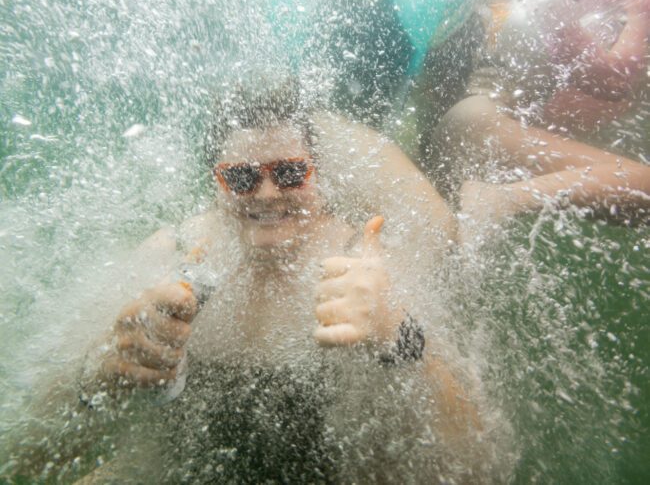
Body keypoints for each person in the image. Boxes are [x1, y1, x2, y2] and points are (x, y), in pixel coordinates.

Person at [5, 80, 506, 484]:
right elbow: (22, 457)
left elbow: (478, 467)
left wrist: (397, 334)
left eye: (289, 173)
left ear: (317, 174)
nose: (267, 194)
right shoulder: (170, 254)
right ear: (214, 182)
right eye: (242, 178)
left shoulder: (365, 263)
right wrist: (102, 372)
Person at [427, 0, 650, 240]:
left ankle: (496, 200)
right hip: (480, 127)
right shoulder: (550, 5)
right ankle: (496, 200)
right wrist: (641, 13)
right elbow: (613, 81)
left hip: (463, 125)